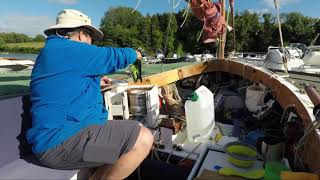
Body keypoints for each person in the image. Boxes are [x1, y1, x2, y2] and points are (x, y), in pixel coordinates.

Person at [26, 9, 153, 179]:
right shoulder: (67, 49)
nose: (92, 43)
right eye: (90, 37)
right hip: (58, 144)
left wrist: (95, 81)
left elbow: (64, 81)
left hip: (65, 136)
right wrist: (136, 54)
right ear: (80, 34)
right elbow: (112, 56)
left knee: (135, 129)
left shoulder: (55, 50)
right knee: (143, 138)